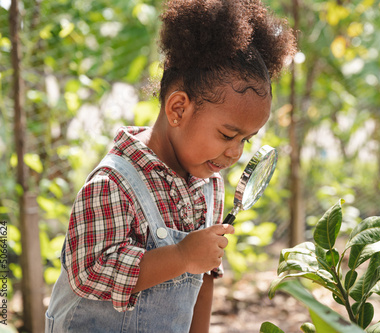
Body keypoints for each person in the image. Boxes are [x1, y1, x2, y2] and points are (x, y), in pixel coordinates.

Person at [45, 0, 296, 332]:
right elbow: (89, 272)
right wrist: (181, 257)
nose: (235, 152)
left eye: (245, 140)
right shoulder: (112, 184)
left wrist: (195, 261)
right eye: (227, 135)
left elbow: (204, 276)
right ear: (178, 108)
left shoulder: (209, 186)